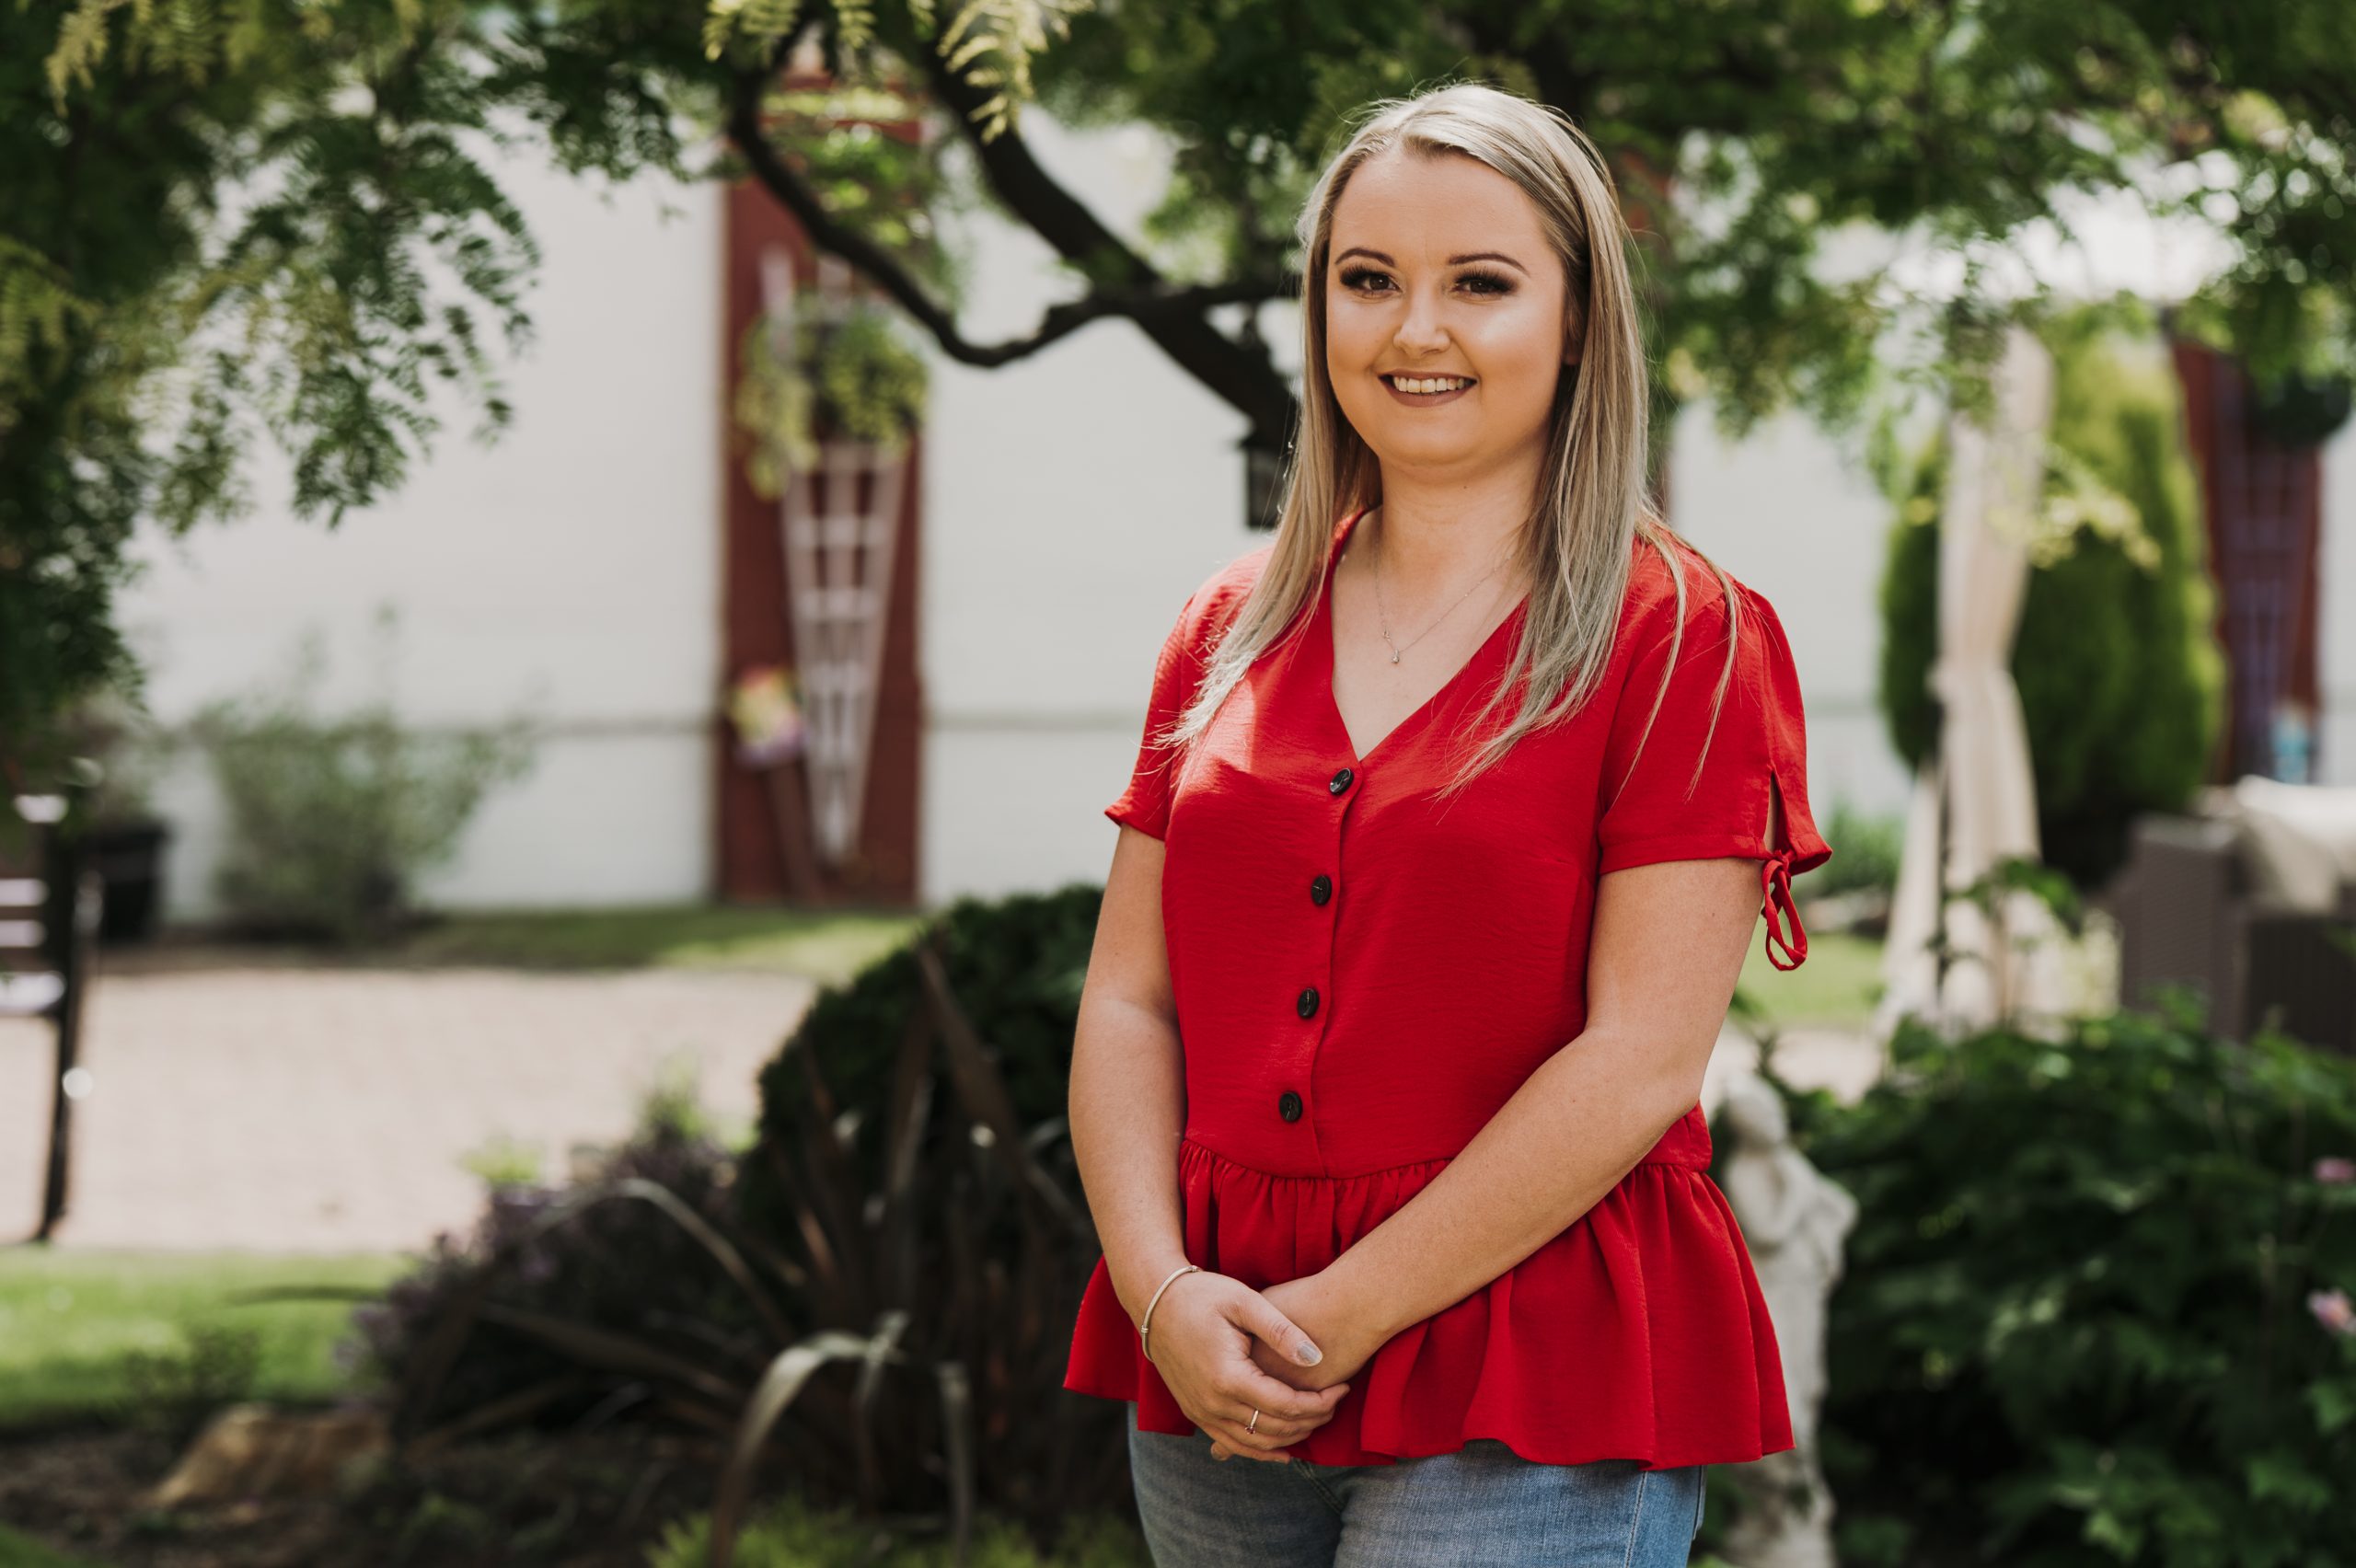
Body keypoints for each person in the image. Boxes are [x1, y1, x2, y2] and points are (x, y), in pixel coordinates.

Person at [1061, 78, 1834, 1568]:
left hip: (1530, 1370)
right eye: (1369, 280)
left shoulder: (1685, 639)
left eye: (1480, 283)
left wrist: (1322, 1324)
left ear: (1579, 320)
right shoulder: (1227, 627)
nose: (1415, 330)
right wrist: (1163, 1294)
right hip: (1216, 1356)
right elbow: (1129, 1000)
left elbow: (1640, 1060)